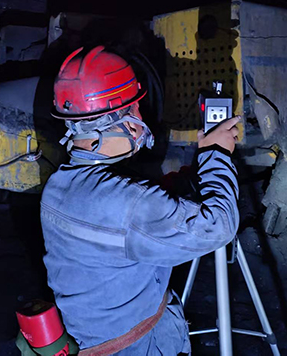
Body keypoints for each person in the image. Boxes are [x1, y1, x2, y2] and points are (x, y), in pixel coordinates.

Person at [40, 45, 240, 355]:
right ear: (126, 120)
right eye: (136, 108)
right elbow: (219, 226)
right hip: (136, 346)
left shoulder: (57, 186)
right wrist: (217, 155)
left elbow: (120, 218)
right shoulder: (131, 203)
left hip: (91, 337)